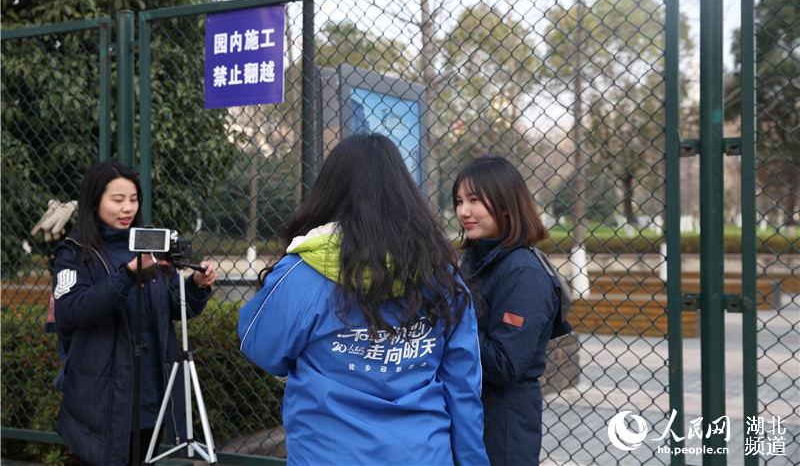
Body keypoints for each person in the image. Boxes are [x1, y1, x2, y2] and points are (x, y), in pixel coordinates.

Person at [239, 133, 489, 466]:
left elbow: (262, 348)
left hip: (327, 453)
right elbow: (463, 386)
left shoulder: (302, 270)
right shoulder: (441, 274)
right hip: (422, 453)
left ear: (330, 192)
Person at [51, 160, 217, 465]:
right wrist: (127, 275)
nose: (127, 208)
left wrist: (195, 286)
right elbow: (72, 312)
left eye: (133, 199)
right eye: (117, 200)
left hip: (150, 395)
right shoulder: (74, 253)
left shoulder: (147, 246)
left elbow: (170, 306)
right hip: (100, 401)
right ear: (94, 201)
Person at [452, 155, 571, 466]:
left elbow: (505, 365)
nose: (463, 211)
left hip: (503, 422)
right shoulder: (477, 258)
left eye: (474, 200)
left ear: (505, 203)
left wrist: (450, 321)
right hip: (471, 409)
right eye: (459, 200)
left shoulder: (523, 272)